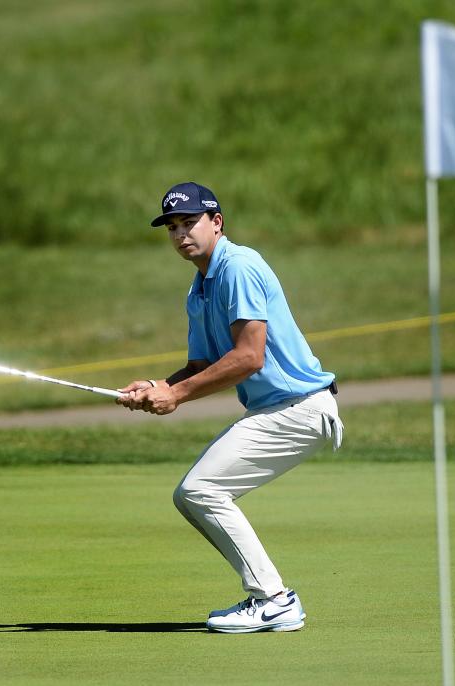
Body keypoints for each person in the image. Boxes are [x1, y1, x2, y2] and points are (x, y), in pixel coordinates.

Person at [116, 181, 342, 634]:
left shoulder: (238, 266)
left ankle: (274, 600)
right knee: (194, 493)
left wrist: (176, 396)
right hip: (276, 410)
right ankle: (272, 598)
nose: (181, 234)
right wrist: (159, 386)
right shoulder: (198, 290)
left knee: (200, 491)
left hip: (299, 408)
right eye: (172, 226)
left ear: (216, 222)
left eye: (190, 222)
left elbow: (248, 357)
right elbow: (201, 364)